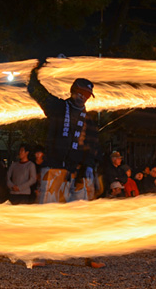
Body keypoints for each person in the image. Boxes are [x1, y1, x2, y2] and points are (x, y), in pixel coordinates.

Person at [27, 59, 105, 268]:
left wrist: (88, 171)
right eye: (79, 92)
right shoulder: (58, 107)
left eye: (87, 95)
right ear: (72, 91)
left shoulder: (89, 119)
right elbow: (36, 91)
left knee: (83, 215)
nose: (82, 97)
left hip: (79, 171)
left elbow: (92, 147)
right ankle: (40, 254)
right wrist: (36, 70)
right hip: (54, 168)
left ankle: (90, 255)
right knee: (48, 213)